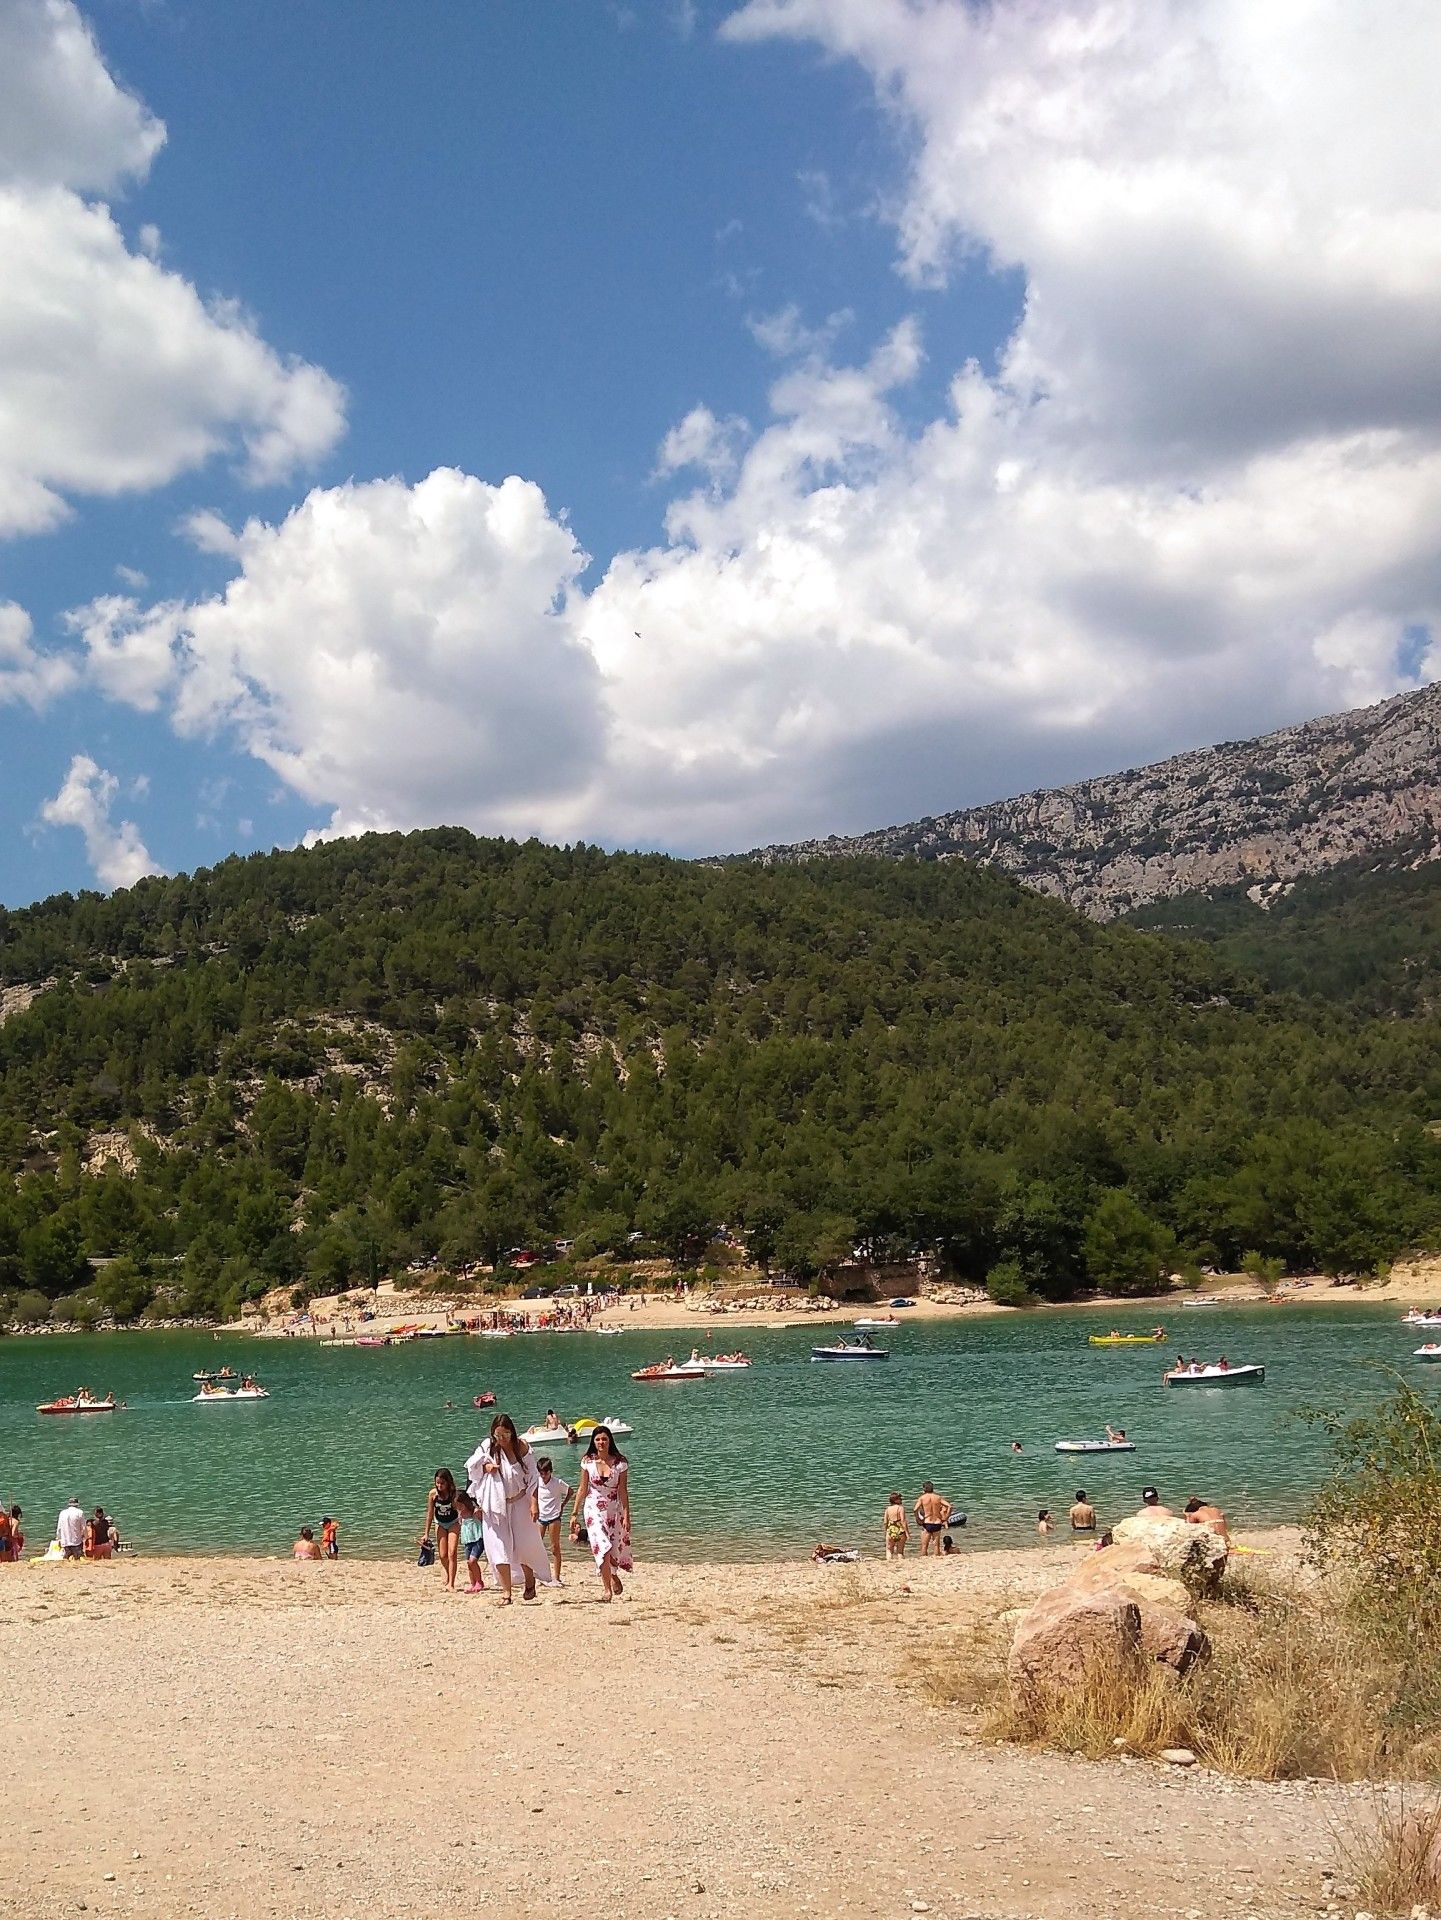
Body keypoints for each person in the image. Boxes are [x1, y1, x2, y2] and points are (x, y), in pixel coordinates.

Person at [466, 1413, 553, 1604]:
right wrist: (486, 1467)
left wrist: (534, 1503)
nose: (502, 1439)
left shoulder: (522, 1447)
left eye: (505, 1434)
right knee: (500, 1548)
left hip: (520, 1502)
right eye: (498, 1435)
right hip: (495, 1506)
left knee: (523, 1546)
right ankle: (507, 1593)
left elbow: (532, 1479)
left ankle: (530, 1581)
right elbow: (472, 1467)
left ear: (511, 1432)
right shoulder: (488, 1447)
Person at [569, 1425, 632, 1601]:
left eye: (604, 1439)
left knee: (611, 1547)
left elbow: (623, 1491)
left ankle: (612, 1574)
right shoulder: (587, 1461)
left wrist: (627, 1515)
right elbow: (582, 1488)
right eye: (597, 1439)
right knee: (602, 1546)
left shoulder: (620, 1463)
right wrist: (574, 1513)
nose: (601, 1442)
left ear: (609, 1440)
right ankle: (606, 1589)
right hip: (592, 1507)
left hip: (613, 1510)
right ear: (593, 1442)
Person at [420, 1467, 462, 1591]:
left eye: (442, 1483)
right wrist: (426, 1534)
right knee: (443, 1555)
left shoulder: (453, 1493)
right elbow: (430, 1514)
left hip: (453, 1522)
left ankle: (451, 1583)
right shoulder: (433, 1494)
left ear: (448, 1482)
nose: (439, 1486)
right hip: (440, 1524)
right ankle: (447, 1573)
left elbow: (462, 1509)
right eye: (437, 1483)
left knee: (452, 1552)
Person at [535, 1456, 573, 1585]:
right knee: (537, 1547)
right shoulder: (537, 1482)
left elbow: (570, 1491)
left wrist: (562, 1505)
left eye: (546, 1473)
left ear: (550, 1471)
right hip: (540, 1517)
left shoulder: (557, 1483)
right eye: (541, 1473)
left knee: (554, 1547)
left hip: (554, 1517)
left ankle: (556, 1577)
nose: (543, 1476)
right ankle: (539, 1575)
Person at [457, 1491, 486, 1593]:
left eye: (460, 1505)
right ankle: (473, 1583)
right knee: (469, 1563)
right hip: (467, 1540)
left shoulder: (474, 1511)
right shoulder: (460, 1514)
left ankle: (479, 1581)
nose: (458, 1507)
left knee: (472, 1561)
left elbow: (483, 1521)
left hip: (478, 1538)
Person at [913, 1482, 952, 1555]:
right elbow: (949, 1506)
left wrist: (918, 1519)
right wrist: (946, 1517)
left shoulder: (922, 1498)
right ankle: (936, 1558)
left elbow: (915, 1509)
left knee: (924, 1545)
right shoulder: (938, 1497)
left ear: (924, 1489)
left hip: (927, 1522)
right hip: (937, 1522)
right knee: (936, 1545)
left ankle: (924, 1558)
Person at [57, 1495, 86, 1561]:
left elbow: (59, 1528)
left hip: (65, 1541)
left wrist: (59, 1539)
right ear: (77, 1504)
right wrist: (85, 1538)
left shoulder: (62, 1513)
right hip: (76, 1541)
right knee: (77, 1559)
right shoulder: (80, 1512)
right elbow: (83, 1528)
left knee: (66, 1558)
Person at [883, 1491, 908, 1560]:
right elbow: (903, 1521)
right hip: (899, 1530)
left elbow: (885, 1522)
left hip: (891, 1530)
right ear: (896, 1500)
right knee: (900, 1551)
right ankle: (901, 1562)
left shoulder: (887, 1509)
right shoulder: (900, 1508)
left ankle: (889, 1562)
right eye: (900, 1498)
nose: (901, 1500)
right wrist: (907, 1533)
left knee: (889, 1550)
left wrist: (886, 1531)